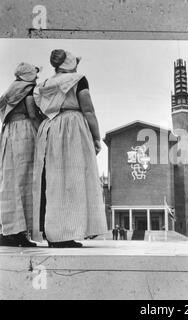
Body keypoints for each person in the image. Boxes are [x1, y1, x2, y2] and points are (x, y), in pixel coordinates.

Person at [33, 49, 107, 248]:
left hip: (49, 128)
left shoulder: (45, 84)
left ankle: (53, 233)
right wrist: (96, 137)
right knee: (72, 180)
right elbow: (89, 110)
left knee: (52, 183)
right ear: (72, 64)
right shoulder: (78, 79)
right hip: (72, 127)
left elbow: (38, 109)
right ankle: (64, 234)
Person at [0, 63, 42, 247]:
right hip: (24, 133)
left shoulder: (10, 91)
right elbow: (33, 115)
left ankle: (7, 229)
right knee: (26, 182)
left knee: (8, 182)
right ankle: (20, 233)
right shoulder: (29, 91)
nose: (37, 78)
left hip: (8, 133)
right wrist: (41, 134)